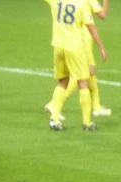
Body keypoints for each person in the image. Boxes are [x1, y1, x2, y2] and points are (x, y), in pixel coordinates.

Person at [44, 0, 107, 131]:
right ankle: (87, 123)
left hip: (58, 47)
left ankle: (54, 120)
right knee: (83, 82)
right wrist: (101, 47)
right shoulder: (82, 4)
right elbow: (91, 27)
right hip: (75, 47)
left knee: (62, 82)